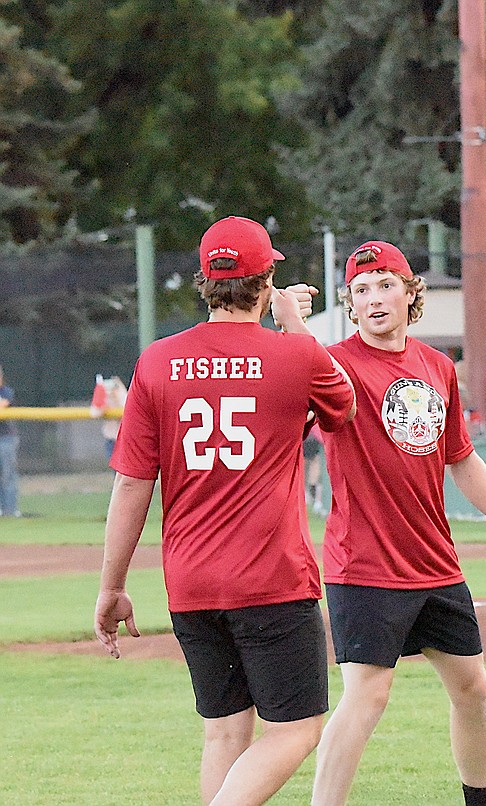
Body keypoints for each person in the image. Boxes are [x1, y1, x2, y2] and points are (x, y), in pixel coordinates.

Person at [93, 215, 357, 806]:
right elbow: (348, 406)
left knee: (226, 730)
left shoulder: (158, 361)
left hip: (190, 582)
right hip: (271, 579)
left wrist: (111, 586)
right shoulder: (295, 357)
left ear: (204, 283)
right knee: (297, 728)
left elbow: (133, 483)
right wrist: (296, 326)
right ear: (265, 283)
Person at [305, 241, 486, 806]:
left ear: (412, 295)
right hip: (363, 562)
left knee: (473, 687)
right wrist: (292, 325)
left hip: (434, 563)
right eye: (360, 291)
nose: (374, 298)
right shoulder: (336, 364)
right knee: (367, 695)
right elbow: (300, 378)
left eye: (386, 284)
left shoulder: (437, 367)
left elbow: (460, 458)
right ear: (350, 306)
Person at [0, 363, 19, 517]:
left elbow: (3, 405)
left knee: (8, 475)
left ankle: (10, 510)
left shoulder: (6, 392)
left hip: (6, 439)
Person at [100, 376, 128, 459]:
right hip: (111, 438)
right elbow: (96, 411)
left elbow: (126, 407)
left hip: (124, 439)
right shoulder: (104, 396)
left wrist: (118, 392)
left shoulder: (122, 394)